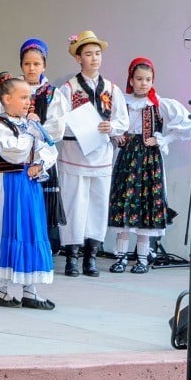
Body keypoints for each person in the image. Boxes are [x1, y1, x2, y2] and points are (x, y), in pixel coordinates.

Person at [0, 76, 57, 309]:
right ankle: (2, 290)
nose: (28, 101)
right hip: (7, 187)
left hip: (28, 186)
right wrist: (31, 133)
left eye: (29, 97)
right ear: (6, 99)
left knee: (30, 231)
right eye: (22, 97)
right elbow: (15, 153)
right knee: (7, 230)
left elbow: (50, 148)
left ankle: (30, 290)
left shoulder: (28, 125)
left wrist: (40, 163)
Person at [0, 38, 66, 253]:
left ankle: (34, 251)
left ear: (44, 65)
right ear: (21, 65)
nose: (32, 68)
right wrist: (9, 129)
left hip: (37, 158)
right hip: (12, 161)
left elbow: (57, 128)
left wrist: (36, 136)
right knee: (11, 209)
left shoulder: (53, 93)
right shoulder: (11, 88)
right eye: (27, 64)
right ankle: (7, 251)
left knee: (36, 209)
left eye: (36, 64)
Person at [108, 57, 191, 273]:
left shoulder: (159, 104)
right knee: (125, 204)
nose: (143, 83)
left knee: (145, 206)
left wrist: (162, 139)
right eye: (139, 79)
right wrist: (116, 135)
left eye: (148, 79)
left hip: (148, 160)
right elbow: (112, 126)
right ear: (131, 79)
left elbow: (186, 125)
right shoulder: (122, 102)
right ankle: (120, 257)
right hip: (127, 158)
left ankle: (143, 259)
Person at [55, 30, 129, 277]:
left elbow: (122, 120)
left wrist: (112, 127)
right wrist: (78, 126)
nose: (94, 58)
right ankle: (71, 257)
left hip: (101, 155)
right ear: (78, 58)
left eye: (97, 53)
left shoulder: (111, 88)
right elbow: (57, 122)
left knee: (97, 205)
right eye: (88, 54)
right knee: (74, 204)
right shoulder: (68, 89)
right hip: (74, 153)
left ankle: (91, 256)